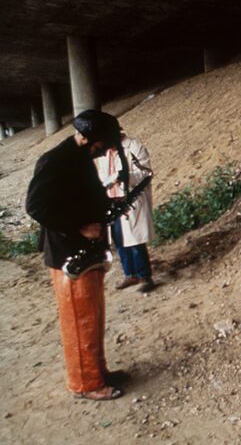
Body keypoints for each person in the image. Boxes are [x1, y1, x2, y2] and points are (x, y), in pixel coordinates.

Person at [26, 109, 131, 401]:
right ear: (85, 138)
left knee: (92, 315)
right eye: (101, 143)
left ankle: (97, 371)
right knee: (78, 318)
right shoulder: (54, 161)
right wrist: (81, 227)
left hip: (86, 250)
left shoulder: (79, 157)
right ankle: (85, 383)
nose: (105, 149)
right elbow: (36, 207)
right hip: (68, 250)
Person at [95, 133, 155, 292]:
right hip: (112, 201)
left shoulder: (134, 147)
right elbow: (102, 176)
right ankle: (130, 274)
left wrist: (125, 177)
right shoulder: (103, 152)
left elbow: (146, 173)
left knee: (135, 241)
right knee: (119, 240)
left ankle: (145, 277)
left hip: (131, 200)